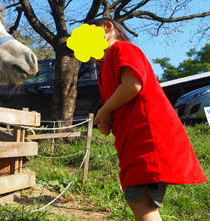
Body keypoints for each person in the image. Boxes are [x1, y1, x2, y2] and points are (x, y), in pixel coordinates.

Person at [87, 18, 207, 221]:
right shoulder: (104, 69)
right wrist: (107, 119)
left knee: (140, 201)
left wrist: (105, 112)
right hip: (133, 140)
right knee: (139, 201)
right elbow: (119, 101)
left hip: (148, 137)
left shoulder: (122, 49)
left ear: (108, 27)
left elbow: (132, 85)